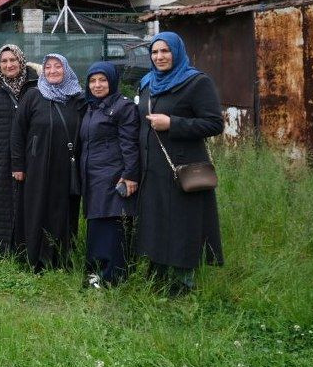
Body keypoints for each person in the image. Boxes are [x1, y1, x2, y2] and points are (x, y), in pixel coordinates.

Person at [136, 32, 223, 295]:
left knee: (183, 225)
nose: (160, 57)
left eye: (165, 51)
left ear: (177, 52)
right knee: (156, 221)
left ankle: (183, 283)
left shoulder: (196, 82)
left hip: (181, 168)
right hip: (152, 168)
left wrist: (173, 123)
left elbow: (214, 123)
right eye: (155, 52)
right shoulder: (147, 83)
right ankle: (158, 276)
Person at [10, 53, 86, 271]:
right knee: (37, 209)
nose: (52, 71)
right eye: (48, 67)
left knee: (64, 211)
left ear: (67, 70)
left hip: (66, 168)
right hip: (37, 166)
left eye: (58, 66)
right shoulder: (33, 96)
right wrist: (18, 165)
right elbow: (18, 133)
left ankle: (61, 258)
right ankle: (35, 258)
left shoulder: (77, 98)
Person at [79, 61, 139, 287]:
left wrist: (130, 174)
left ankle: (112, 277)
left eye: (102, 80)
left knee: (112, 227)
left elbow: (130, 143)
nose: (97, 85)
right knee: (97, 225)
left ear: (112, 81)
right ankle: (96, 272)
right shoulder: (91, 106)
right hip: (93, 176)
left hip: (114, 176)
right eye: (93, 81)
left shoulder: (124, 107)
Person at [0, 44, 39, 254]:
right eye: (4, 61)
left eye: (12, 60)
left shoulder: (36, 84)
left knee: (28, 196)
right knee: (1, 198)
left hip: (30, 150)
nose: (9, 65)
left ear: (21, 60)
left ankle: (25, 245)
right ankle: (0, 247)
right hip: (0, 151)